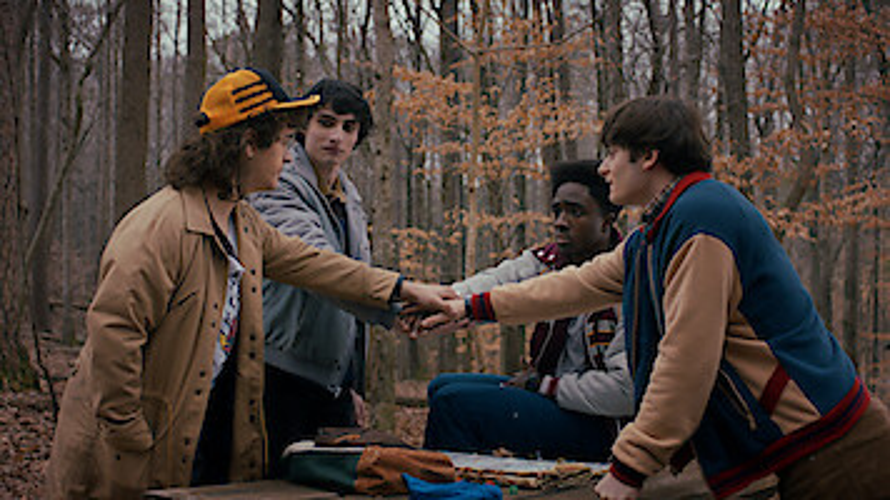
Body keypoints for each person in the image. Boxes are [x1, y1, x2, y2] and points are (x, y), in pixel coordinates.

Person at [422, 97, 890, 499]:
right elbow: (575, 285)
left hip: (832, 443)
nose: (603, 167)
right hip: (790, 443)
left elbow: (687, 357)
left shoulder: (703, 219)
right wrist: (469, 307)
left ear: (648, 156)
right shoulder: (657, 232)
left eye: (612, 153)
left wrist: (632, 464)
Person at [45, 68, 453, 499]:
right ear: (249, 144)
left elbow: (316, 264)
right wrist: (130, 433)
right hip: (121, 453)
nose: (289, 157)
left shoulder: (242, 223)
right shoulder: (160, 227)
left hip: (182, 438)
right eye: (283, 142)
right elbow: (113, 335)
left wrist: (404, 289)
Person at [422, 160, 632, 462]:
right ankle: (473, 475)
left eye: (575, 212)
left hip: (603, 425)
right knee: (441, 386)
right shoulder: (548, 261)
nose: (560, 222)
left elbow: (625, 392)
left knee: (454, 404)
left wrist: (543, 385)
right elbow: (496, 281)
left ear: (607, 221)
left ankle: (446, 484)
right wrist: (435, 302)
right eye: (557, 211)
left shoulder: (627, 283)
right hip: (556, 397)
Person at [248, 79, 386, 475]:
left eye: (348, 127)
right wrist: (401, 300)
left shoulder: (349, 196)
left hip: (332, 382)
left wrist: (352, 383)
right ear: (304, 126)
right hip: (279, 374)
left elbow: (354, 304)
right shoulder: (276, 184)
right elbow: (321, 266)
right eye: (326, 123)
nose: (336, 136)